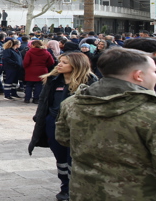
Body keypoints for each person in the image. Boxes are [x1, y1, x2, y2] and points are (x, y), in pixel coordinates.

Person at [55, 48, 156, 200]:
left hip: (85, 192)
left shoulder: (72, 103)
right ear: (138, 75)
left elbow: (63, 139)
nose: (155, 76)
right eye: (153, 71)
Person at [28, 53, 96, 201]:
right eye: (60, 62)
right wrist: (41, 118)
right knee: (61, 158)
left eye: (64, 63)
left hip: (77, 126)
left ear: (76, 65)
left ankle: (75, 188)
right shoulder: (52, 80)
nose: (59, 65)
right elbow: (44, 100)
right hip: (53, 123)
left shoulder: (91, 82)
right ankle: (65, 187)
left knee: (74, 158)